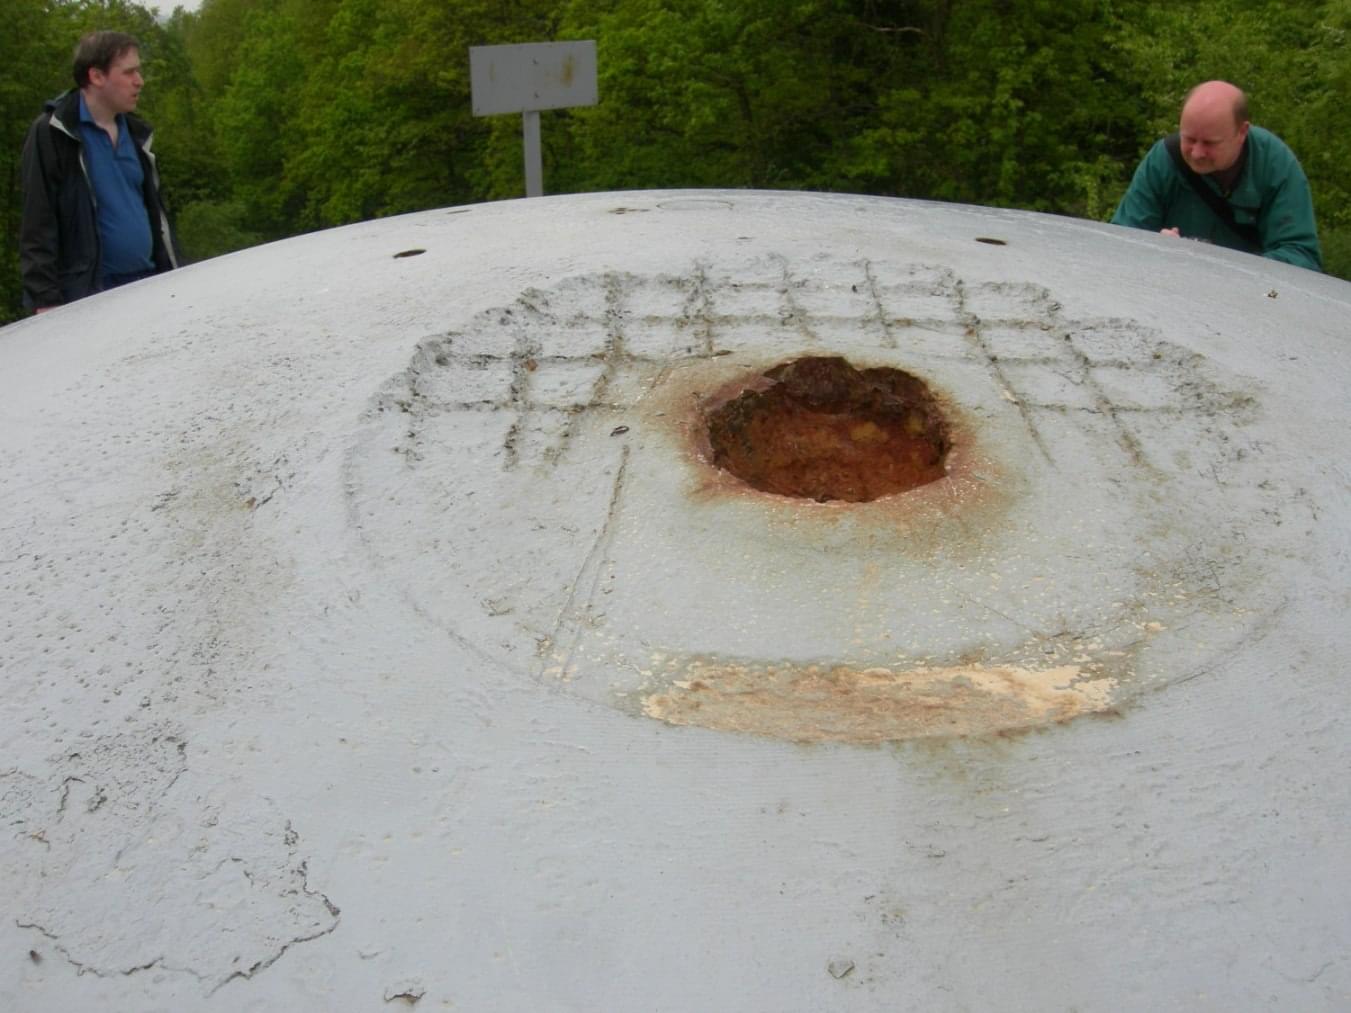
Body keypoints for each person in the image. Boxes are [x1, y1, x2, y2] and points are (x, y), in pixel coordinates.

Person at [19, 30, 179, 313]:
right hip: (89, 297)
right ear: (96, 76)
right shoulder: (55, 132)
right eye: (129, 72)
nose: (139, 81)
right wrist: (45, 301)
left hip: (150, 287)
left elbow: (158, 219)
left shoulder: (138, 135)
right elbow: (37, 224)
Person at [1110, 80, 1322, 272]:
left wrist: (1219, 266)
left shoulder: (1275, 164)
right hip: (1169, 285)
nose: (1197, 153)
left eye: (1210, 143)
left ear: (1242, 132)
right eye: (1189, 139)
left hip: (1253, 297)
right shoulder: (1164, 159)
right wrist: (1154, 247)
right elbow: (1119, 242)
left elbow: (1301, 258)